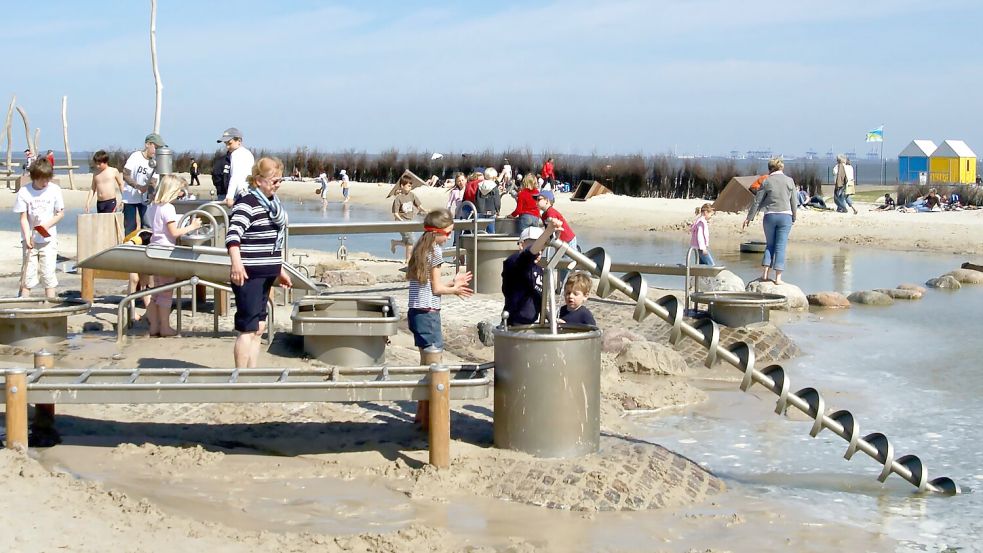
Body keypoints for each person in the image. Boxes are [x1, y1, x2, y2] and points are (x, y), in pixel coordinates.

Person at [225, 157, 293, 368]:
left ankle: (251, 372)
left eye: (279, 180)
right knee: (248, 327)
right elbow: (233, 236)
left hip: (267, 272)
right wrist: (237, 265)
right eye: (273, 180)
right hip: (249, 273)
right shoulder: (247, 203)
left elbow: (271, 242)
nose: (277, 184)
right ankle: (240, 376)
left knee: (259, 327)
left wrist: (279, 269)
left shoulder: (273, 205)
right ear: (258, 180)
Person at [406, 208, 473, 355]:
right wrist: (455, 290)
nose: (449, 237)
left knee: (425, 357)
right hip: (428, 313)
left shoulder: (421, 247)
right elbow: (436, 289)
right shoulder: (435, 251)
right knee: (434, 359)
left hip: (416, 312)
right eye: (448, 233)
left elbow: (429, 284)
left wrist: (452, 282)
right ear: (436, 232)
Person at [145, 175, 202, 337]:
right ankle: (165, 327)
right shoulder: (168, 208)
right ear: (171, 190)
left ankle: (154, 326)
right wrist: (192, 226)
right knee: (166, 291)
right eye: (178, 190)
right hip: (165, 253)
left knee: (156, 291)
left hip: (154, 250)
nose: (180, 193)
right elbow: (174, 232)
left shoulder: (153, 206)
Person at [14, 158, 64, 299]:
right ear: (35, 177)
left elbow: (60, 214)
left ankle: (50, 305)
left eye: (48, 179)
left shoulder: (54, 190)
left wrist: (45, 225)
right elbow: (23, 218)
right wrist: (27, 236)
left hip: (48, 239)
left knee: (48, 274)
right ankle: (23, 304)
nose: (45, 183)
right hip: (29, 239)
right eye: (42, 179)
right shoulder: (24, 192)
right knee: (27, 275)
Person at [742, 158, 796, 284]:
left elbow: (757, 201)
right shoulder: (790, 181)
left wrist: (749, 218)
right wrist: (794, 216)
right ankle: (778, 278)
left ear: (770, 169)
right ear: (781, 168)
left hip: (770, 215)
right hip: (785, 216)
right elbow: (794, 201)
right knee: (781, 246)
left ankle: (765, 274)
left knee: (770, 245)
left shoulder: (766, 181)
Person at [501, 218, 563, 326]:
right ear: (521, 244)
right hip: (513, 325)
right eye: (535, 245)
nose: (539, 252)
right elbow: (529, 253)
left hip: (530, 325)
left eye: (542, 249)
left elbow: (539, 302)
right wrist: (548, 232)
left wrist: (552, 320)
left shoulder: (539, 270)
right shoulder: (514, 262)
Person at [122, 133, 163, 235]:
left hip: (145, 200)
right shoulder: (135, 156)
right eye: (155, 147)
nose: (156, 150)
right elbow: (125, 175)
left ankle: (145, 247)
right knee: (130, 227)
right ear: (147, 144)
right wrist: (138, 186)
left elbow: (153, 182)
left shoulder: (156, 162)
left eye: (158, 148)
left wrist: (151, 193)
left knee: (147, 226)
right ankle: (130, 247)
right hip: (130, 198)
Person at [390, 176, 426, 262]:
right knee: (411, 241)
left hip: (410, 222)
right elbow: (395, 213)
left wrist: (425, 211)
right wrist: (401, 221)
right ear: (402, 186)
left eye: (411, 186)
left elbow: (419, 206)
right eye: (408, 185)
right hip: (401, 222)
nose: (410, 187)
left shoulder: (412, 195)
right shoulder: (398, 198)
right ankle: (408, 260)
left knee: (408, 241)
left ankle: (394, 242)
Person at [218, 127, 255, 208]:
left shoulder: (236, 154)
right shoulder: (248, 153)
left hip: (241, 194)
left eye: (229, 143)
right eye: (225, 143)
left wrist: (229, 197)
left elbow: (235, 176)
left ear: (239, 141)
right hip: (250, 192)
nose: (227, 146)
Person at [475, 167, 501, 233]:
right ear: (494, 177)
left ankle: (478, 242)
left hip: (480, 211)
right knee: (491, 230)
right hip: (491, 210)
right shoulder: (494, 187)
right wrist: (498, 210)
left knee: (479, 230)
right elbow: (497, 200)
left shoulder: (480, 186)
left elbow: (476, 198)